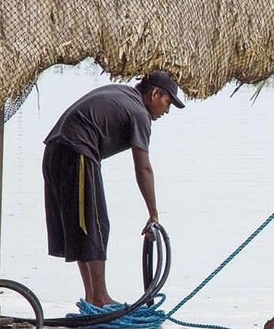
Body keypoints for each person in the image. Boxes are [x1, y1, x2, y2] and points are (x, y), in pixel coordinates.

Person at [42, 70, 183, 306]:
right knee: (96, 223)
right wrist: (153, 214)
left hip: (55, 151)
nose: (167, 111)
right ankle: (100, 297)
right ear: (155, 94)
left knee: (83, 224)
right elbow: (143, 168)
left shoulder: (124, 94)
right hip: (76, 151)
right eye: (167, 102)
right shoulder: (139, 113)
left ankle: (92, 297)